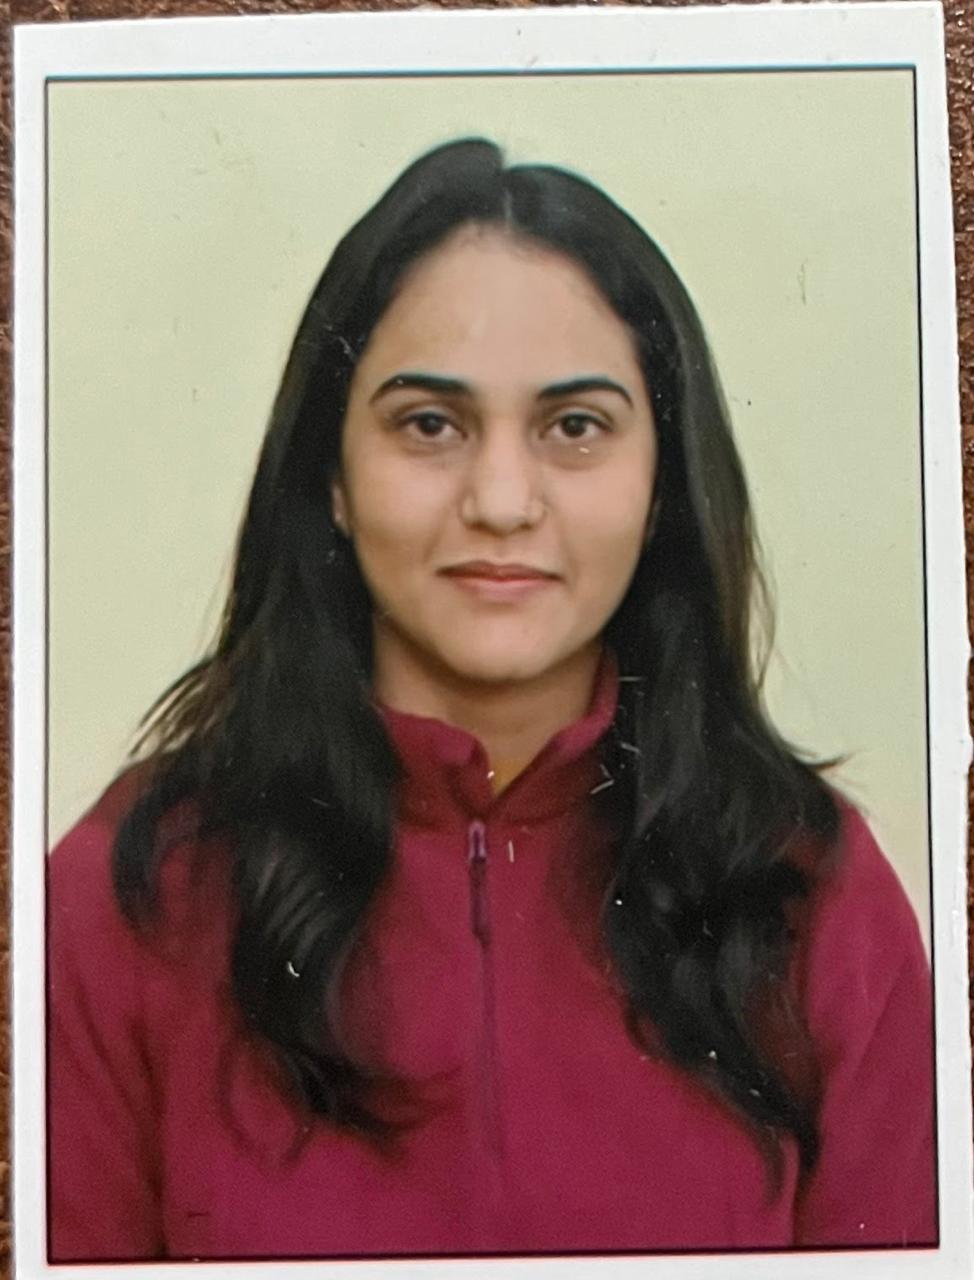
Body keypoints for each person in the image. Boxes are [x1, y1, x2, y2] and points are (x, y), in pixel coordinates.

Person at [47, 137, 936, 1261]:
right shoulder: (121, 895)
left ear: (662, 481)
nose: (502, 500)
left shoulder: (819, 900)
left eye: (575, 427)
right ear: (331, 473)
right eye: (429, 423)